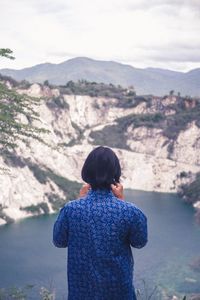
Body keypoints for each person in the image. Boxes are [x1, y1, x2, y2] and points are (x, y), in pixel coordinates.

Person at [53, 146, 148, 300]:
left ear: (87, 172)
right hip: (118, 292)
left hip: (81, 293)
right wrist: (121, 201)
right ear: (115, 174)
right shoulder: (130, 211)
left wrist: (79, 201)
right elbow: (139, 242)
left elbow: (59, 241)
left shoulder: (71, 209)